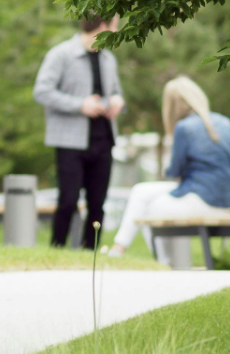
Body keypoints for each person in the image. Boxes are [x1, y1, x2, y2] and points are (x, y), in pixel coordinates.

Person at [110, 77, 230, 257]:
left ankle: (168, 265)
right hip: (224, 198)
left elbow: (174, 171)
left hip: (204, 199)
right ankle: (118, 248)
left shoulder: (184, 128)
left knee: (151, 208)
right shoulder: (223, 122)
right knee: (141, 192)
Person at [33, 14, 125, 249]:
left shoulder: (108, 59)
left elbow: (115, 92)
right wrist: (80, 105)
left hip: (104, 139)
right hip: (70, 141)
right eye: (114, 25)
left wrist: (116, 101)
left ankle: (89, 253)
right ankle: (57, 250)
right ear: (103, 26)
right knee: (68, 201)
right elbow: (41, 92)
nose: (116, 30)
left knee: (98, 203)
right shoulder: (60, 54)